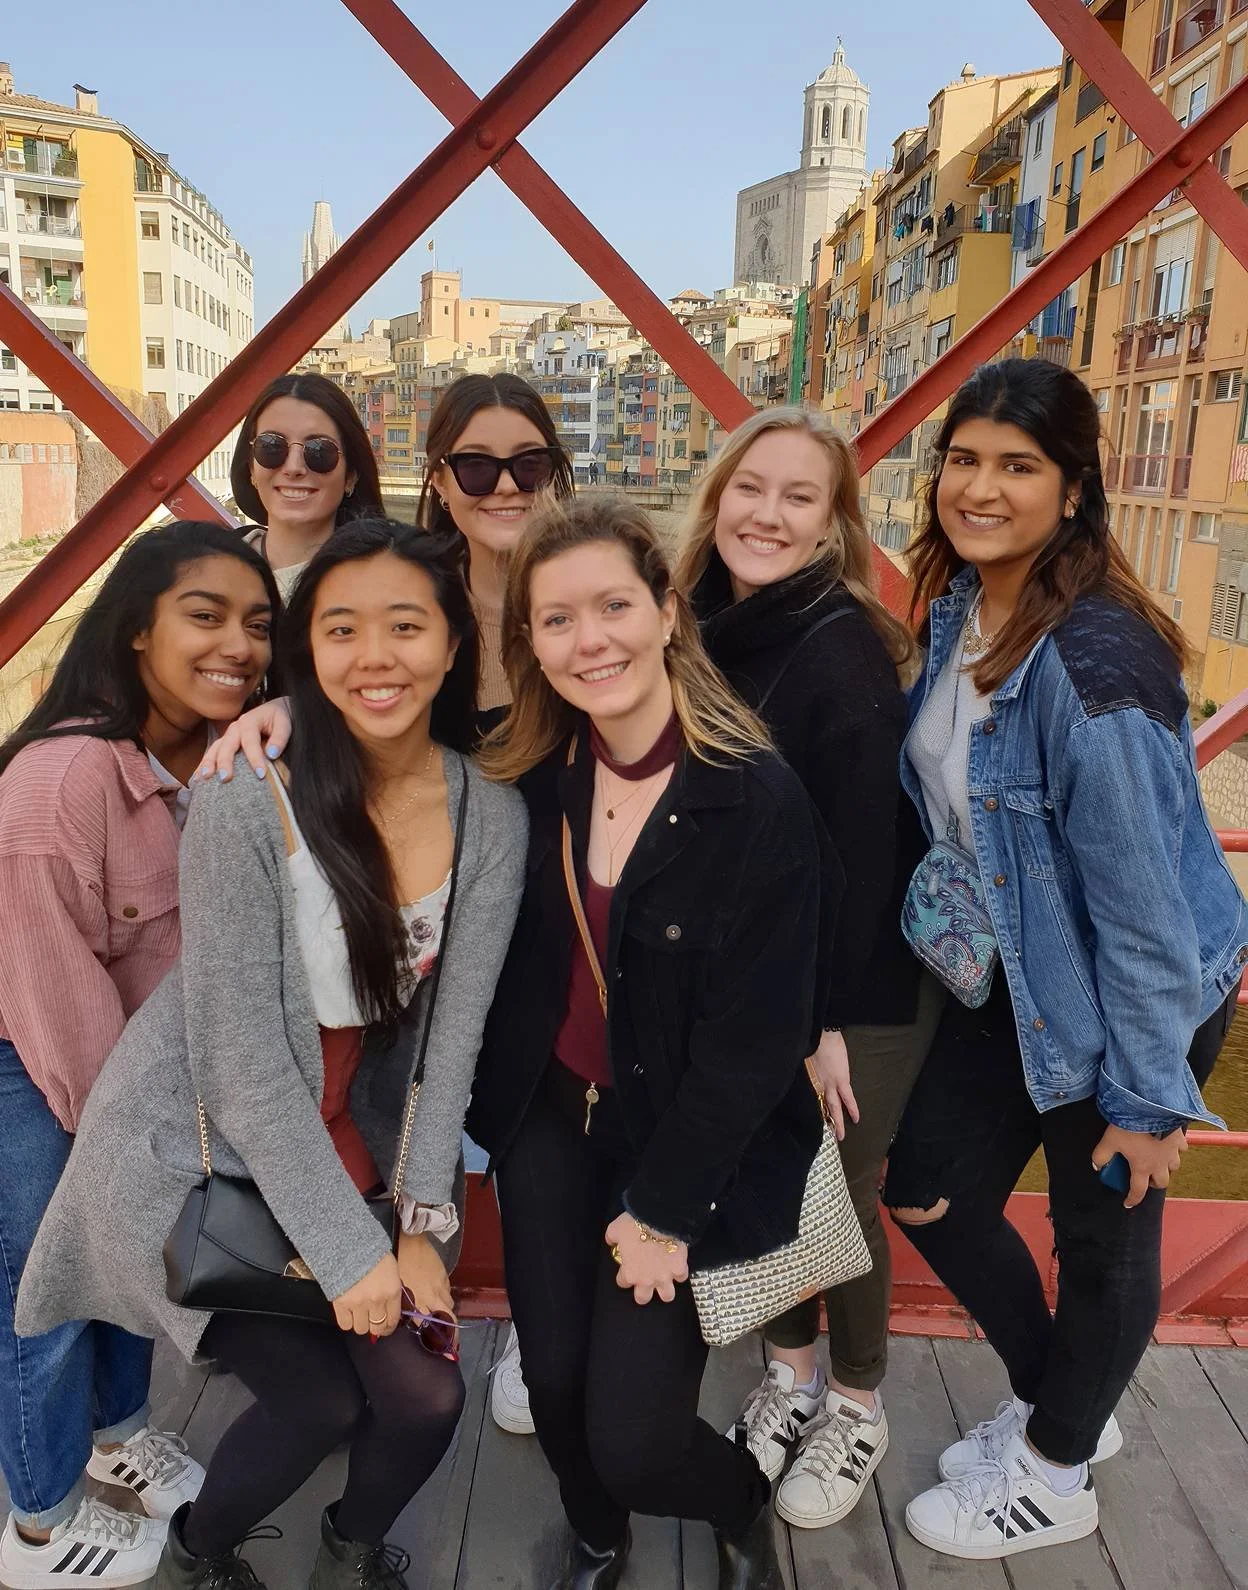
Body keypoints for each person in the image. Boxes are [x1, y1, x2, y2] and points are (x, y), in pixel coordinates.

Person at [17, 521, 527, 1590]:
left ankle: (348, 1547)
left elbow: (452, 1033)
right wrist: (352, 1256)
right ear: (310, 650)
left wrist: (422, 1223)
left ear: (449, 643)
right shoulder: (247, 792)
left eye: (405, 625)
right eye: (340, 629)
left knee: (427, 1397)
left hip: (352, 1133)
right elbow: (241, 1057)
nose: (373, 655)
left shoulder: (493, 817)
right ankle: (202, 1556)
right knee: (320, 1398)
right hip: (195, 1146)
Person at [883, 359, 1247, 1560]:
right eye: (965, 459)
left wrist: (1149, 1103)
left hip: (1132, 1001)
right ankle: (1068, 1412)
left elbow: (1146, 921)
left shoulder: (1095, 670)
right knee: (927, 1184)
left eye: (1018, 466)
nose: (979, 487)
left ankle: (1053, 1475)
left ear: (1076, 490)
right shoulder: (959, 608)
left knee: (1102, 1237)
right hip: (1020, 975)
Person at [469, 495, 838, 1590]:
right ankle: (596, 1535)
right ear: (529, 643)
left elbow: (755, 1036)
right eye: (557, 620)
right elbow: (377, 742)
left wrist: (666, 1210)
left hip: (673, 1143)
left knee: (634, 1431)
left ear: (670, 610)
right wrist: (283, 717)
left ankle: (734, 1501)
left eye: (615, 606)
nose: (593, 642)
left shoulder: (755, 798)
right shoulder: (524, 775)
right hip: (550, 1119)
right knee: (552, 1377)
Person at [206, 372, 575, 1436]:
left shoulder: (578, 584)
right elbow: (357, 680)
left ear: (554, 470)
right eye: (474, 465)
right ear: (438, 483)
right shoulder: (421, 587)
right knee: (437, 1081)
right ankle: (348, 1309)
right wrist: (280, 711)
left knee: (543, 1111)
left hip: (558, 890)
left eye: (527, 464)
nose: (502, 484)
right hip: (429, 897)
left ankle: (531, 1331)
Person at [674, 406, 942, 1531]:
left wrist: (820, 1019)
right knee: (780, 1177)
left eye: (801, 498)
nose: (768, 515)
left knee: (842, 1187)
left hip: (854, 990)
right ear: (718, 494)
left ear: (835, 526)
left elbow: (862, 859)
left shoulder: (834, 649)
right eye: (752, 488)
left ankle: (859, 1402)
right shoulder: (701, 621)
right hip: (758, 977)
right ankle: (787, 1382)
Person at [0, 523, 278, 1590]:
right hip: (39, 1066)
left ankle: (119, 1439)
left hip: (131, 1072)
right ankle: (38, 1519)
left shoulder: (213, 763)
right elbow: (53, 1008)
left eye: (258, 624)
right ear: (133, 633)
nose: (238, 645)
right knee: (53, 1285)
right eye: (204, 616)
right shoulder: (59, 781)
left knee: (124, 1268)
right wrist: (139, 1151)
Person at [230, 370, 383, 601]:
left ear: (351, 476)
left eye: (319, 451)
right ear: (251, 468)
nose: (293, 467)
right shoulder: (206, 570)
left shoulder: (385, 583)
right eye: (271, 447)